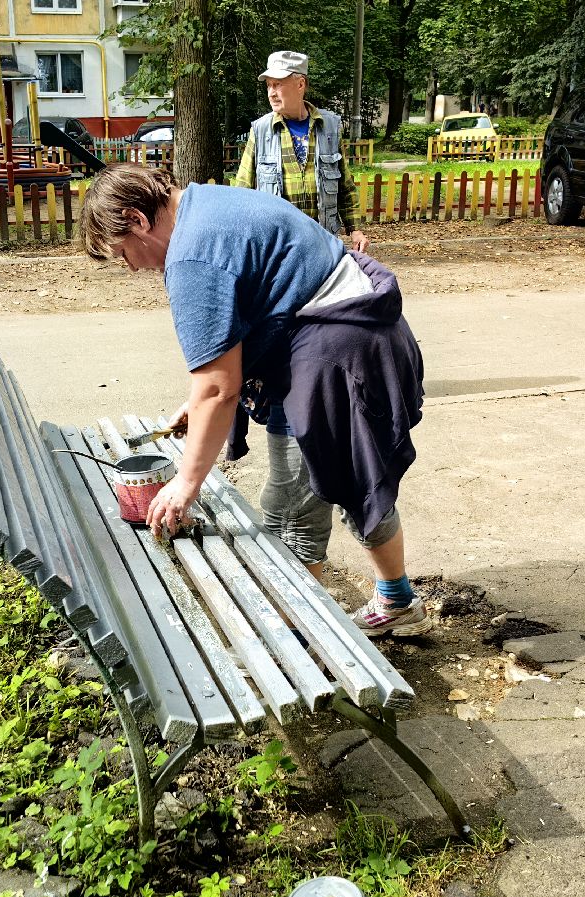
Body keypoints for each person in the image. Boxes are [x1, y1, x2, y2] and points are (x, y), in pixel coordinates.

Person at [78, 164, 431, 638]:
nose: (133, 267)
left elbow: (219, 388)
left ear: (137, 220)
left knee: (290, 509)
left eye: (123, 252)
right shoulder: (207, 203)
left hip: (335, 356)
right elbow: (224, 361)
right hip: (359, 333)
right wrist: (197, 402)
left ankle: (290, 642)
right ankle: (397, 601)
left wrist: (186, 483)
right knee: (349, 479)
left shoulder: (191, 255)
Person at [232, 50, 369, 254]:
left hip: (323, 243)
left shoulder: (329, 127)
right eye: (269, 85)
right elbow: (242, 191)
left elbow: (345, 186)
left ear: (300, 84)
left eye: (277, 84)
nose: (271, 93)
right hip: (278, 247)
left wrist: (355, 229)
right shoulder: (261, 131)